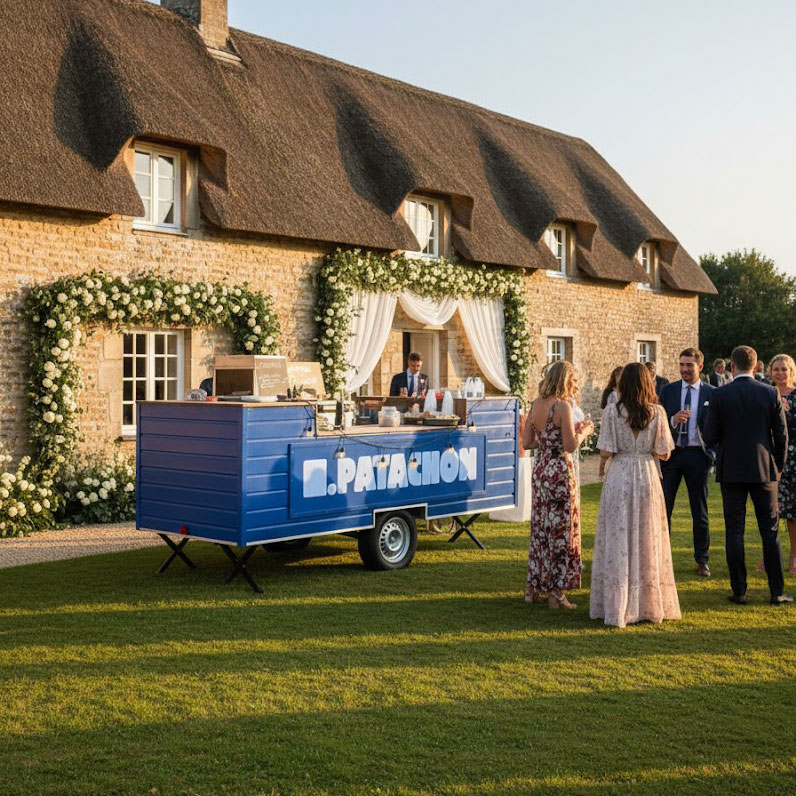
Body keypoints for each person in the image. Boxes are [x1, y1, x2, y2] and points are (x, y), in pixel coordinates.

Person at [590, 363, 680, 628]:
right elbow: (665, 451)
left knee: (618, 535)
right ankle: (648, 604)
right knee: (647, 535)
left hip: (620, 473)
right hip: (647, 475)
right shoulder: (657, 412)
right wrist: (646, 449)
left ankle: (617, 604)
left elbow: (605, 450)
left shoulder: (611, 411)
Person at [703, 345, 792, 605]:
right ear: (755, 366)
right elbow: (781, 436)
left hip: (731, 469)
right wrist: (778, 466)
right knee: (770, 531)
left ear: (732, 366)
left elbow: (709, 435)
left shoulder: (720, 394)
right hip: (764, 469)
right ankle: (776, 591)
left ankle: (739, 590)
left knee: (734, 531)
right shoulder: (769, 392)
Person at [523, 360, 594, 610]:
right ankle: (556, 593)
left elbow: (527, 443)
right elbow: (570, 446)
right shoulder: (562, 406)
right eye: (573, 380)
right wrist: (584, 431)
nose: (575, 385)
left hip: (541, 469)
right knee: (561, 530)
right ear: (564, 380)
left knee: (541, 528)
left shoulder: (535, 404)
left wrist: (546, 441)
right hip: (560, 471)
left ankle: (533, 589)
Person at [658, 348, 716, 576]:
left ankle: (702, 560)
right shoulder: (668, 390)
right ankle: (662, 559)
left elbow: (718, 426)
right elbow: (658, 422)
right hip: (671, 455)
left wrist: (711, 453)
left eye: (689, 365)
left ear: (700, 367)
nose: (684, 369)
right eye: (681, 364)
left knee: (699, 510)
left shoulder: (712, 393)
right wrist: (673, 420)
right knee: (664, 509)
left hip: (697, 456)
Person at [756, 354, 796, 574]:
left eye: (784, 369)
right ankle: (768, 557)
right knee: (769, 512)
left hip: (793, 462)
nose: (780, 373)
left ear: (791, 371)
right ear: (770, 372)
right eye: (776, 369)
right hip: (769, 460)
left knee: (793, 514)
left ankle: (793, 557)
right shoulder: (765, 394)